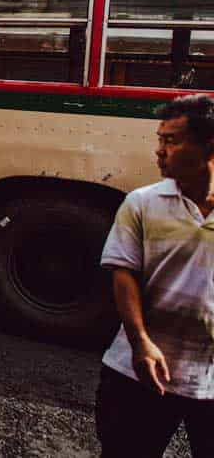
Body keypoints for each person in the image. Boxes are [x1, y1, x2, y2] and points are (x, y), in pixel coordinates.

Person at [95, 93, 214, 457]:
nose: (159, 151)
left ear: (209, 147)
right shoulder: (142, 203)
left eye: (171, 141)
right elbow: (124, 272)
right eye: (159, 140)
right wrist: (140, 342)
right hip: (136, 372)